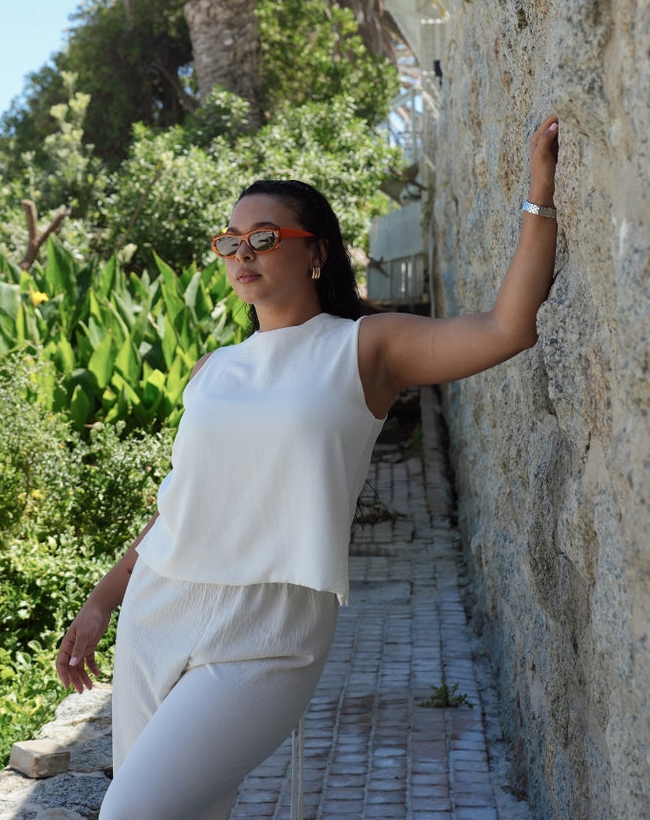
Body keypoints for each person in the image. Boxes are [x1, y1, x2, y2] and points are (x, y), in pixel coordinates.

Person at [56, 114, 560, 820]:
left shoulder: (363, 348)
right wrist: (103, 600)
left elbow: (508, 329)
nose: (243, 252)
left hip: (270, 629)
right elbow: (183, 506)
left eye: (265, 238)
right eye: (231, 241)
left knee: (130, 814)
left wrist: (541, 194)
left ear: (315, 253)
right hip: (159, 610)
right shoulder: (213, 371)